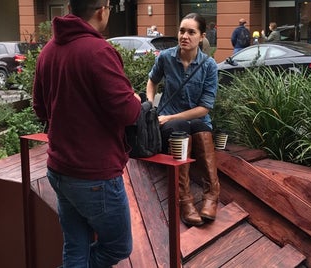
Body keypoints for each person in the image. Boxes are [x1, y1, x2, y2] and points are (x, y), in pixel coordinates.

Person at [32, 0, 141, 267]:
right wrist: (136, 100)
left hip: (59, 169)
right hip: (95, 174)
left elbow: (39, 108)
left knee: (75, 247)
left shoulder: (48, 51)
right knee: (118, 246)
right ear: (101, 10)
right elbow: (128, 112)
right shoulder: (99, 51)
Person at [146, 12, 220, 227]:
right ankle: (185, 199)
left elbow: (204, 108)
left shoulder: (209, 66)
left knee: (200, 127)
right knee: (180, 126)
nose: (184, 36)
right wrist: (151, 106)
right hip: (170, 125)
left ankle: (212, 194)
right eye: (181, 31)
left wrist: (171, 115)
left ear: (202, 36)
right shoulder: (166, 57)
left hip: (192, 120)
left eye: (191, 32)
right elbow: (152, 82)